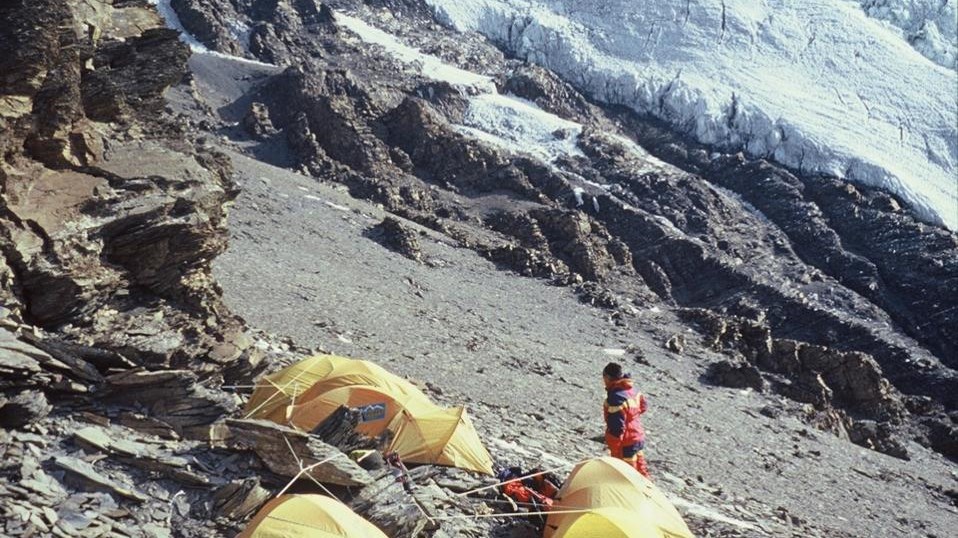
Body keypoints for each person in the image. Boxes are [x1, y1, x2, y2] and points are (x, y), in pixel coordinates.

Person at [602, 362, 651, 478]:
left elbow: (616, 428)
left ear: (608, 378)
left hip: (626, 441)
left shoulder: (616, 398)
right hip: (638, 437)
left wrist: (614, 450)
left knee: (627, 475)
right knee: (641, 471)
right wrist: (631, 418)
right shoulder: (633, 391)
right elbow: (643, 407)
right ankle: (650, 493)